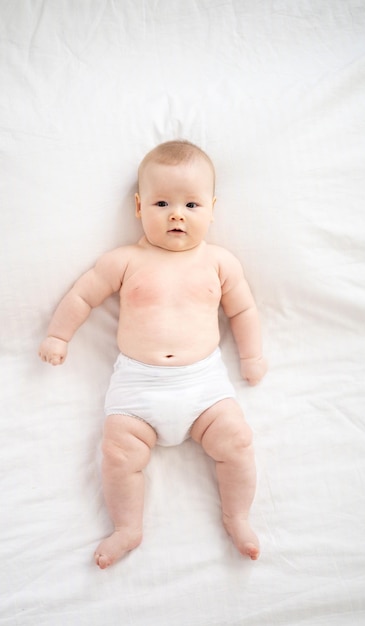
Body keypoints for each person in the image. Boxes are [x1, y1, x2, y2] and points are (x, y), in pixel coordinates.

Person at [38, 140, 267, 569]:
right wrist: (58, 336)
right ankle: (127, 527)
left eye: (191, 204)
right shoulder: (124, 260)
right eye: (162, 202)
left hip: (203, 386)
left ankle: (237, 516)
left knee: (237, 441)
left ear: (212, 209)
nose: (176, 213)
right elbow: (83, 296)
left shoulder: (220, 263)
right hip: (137, 387)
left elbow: (243, 310)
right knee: (118, 453)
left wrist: (251, 356)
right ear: (139, 207)